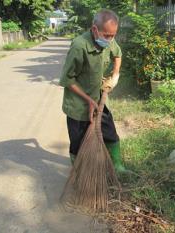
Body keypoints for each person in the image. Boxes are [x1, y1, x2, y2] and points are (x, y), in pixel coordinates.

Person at [59, 9, 126, 172]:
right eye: (107, 35)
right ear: (94, 29)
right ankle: (79, 173)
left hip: (99, 99)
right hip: (77, 104)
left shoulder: (109, 40)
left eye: (113, 36)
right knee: (78, 142)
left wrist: (115, 75)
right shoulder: (79, 46)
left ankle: (117, 165)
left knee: (110, 133)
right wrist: (88, 100)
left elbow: (118, 54)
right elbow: (67, 80)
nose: (110, 39)